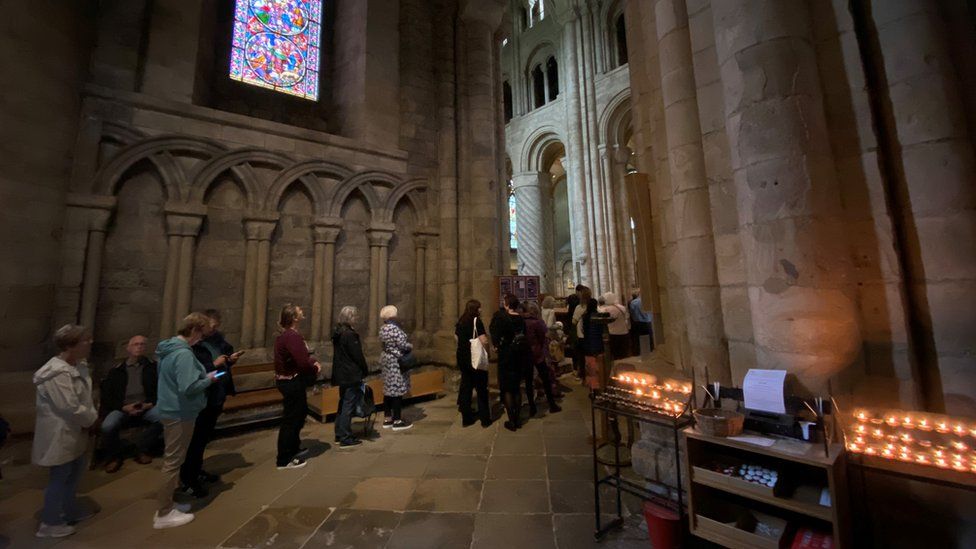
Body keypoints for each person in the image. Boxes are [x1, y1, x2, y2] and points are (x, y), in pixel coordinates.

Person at [32, 324, 98, 539]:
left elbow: (83, 397)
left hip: (74, 429)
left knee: (74, 473)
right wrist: (92, 419)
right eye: (84, 340)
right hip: (61, 432)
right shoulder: (56, 373)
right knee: (60, 477)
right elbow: (68, 406)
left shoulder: (77, 365)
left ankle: (69, 510)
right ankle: (50, 522)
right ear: (70, 345)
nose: (89, 343)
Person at [154, 313, 218, 529]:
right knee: (173, 462)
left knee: (174, 459)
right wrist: (208, 379)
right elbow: (188, 387)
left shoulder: (168, 349)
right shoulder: (182, 354)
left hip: (172, 408)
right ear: (194, 330)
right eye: (201, 334)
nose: (201, 339)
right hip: (179, 412)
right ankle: (164, 513)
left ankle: (169, 504)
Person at [180, 310, 244, 496]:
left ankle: (196, 471)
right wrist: (214, 365)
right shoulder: (191, 347)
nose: (213, 329)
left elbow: (224, 355)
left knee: (203, 438)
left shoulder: (216, 340)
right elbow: (195, 373)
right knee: (194, 440)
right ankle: (188, 479)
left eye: (215, 326)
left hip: (216, 394)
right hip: (201, 397)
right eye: (210, 326)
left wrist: (228, 360)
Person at [98, 335, 162, 473]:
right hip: (123, 407)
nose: (139, 347)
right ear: (128, 348)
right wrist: (123, 407)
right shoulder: (117, 370)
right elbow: (108, 395)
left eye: (142, 344)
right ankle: (115, 456)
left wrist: (148, 404)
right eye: (135, 344)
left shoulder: (152, 367)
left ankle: (141, 448)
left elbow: (160, 390)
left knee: (165, 417)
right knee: (108, 426)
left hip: (145, 406)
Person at [274, 304, 322, 468]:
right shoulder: (291, 336)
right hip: (290, 381)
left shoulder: (290, 335)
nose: (302, 310)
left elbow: (300, 357)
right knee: (291, 418)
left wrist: (311, 361)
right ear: (294, 317)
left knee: (299, 414)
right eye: (299, 310)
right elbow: (301, 361)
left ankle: (293, 448)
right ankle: (284, 458)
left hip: (291, 380)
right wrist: (314, 367)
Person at [490, 293, 529, 431]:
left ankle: (511, 420)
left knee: (507, 388)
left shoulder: (503, 318)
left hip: (506, 355)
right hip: (519, 356)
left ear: (506, 304)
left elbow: (496, 334)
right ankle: (517, 418)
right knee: (516, 388)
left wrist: (496, 346)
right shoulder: (521, 319)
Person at [331, 306, 369, 448]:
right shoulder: (349, 334)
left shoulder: (338, 332)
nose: (357, 318)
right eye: (355, 316)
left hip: (342, 374)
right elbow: (357, 355)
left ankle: (339, 433)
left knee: (343, 404)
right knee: (348, 405)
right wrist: (364, 369)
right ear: (350, 318)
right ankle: (346, 437)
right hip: (351, 374)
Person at [455, 300, 492, 428]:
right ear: (475, 309)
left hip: (463, 357)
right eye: (479, 307)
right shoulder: (476, 321)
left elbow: (456, 338)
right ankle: (485, 419)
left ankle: (466, 418)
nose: (481, 309)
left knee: (466, 386)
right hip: (474, 358)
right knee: (481, 388)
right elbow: (484, 340)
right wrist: (487, 353)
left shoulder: (461, 320)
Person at [379, 305, 413, 431]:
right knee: (397, 391)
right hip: (396, 362)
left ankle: (388, 418)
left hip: (386, 360)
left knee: (388, 389)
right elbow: (403, 345)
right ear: (392, 316)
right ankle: (397, 421)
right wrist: (410, 346)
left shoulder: (383, 329)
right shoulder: (394, 329)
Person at [524, 301, 561, 415]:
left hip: (526, 354)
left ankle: (532, 406)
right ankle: (552, 404)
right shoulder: (537, 322)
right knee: (546, 378)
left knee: (528, 381)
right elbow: (544, 337)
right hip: (538, 353)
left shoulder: (522, 321)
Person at [580, 293, 606, 391]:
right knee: (598, 366)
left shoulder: (585, 316)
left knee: (590, 367)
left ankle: (592, 387)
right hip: (598, 343)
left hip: (587, 343)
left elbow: (582, 329)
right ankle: (600, 385)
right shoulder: (598, 316)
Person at [600, 293, 631, 360]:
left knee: (615, 355)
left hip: (614, 334)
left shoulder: (607, 309)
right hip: (624, 333)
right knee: (624, 355)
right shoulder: (622, 307)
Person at [567, 285, 586, 380]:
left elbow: (572, 320)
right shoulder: (581, 305)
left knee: (576, 351)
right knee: (581, 352)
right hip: (582, 331)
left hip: (575, 330)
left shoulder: (574, 305)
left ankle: (576, 369)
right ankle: (582, 371)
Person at [628, 289, 654, 355]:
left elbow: (632, 313)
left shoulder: (633, 302)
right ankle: (650, 353)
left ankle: (640, 354)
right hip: (648, 322)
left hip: (637, 323)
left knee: (638, 339)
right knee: (649, 339)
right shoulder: (649, 301)